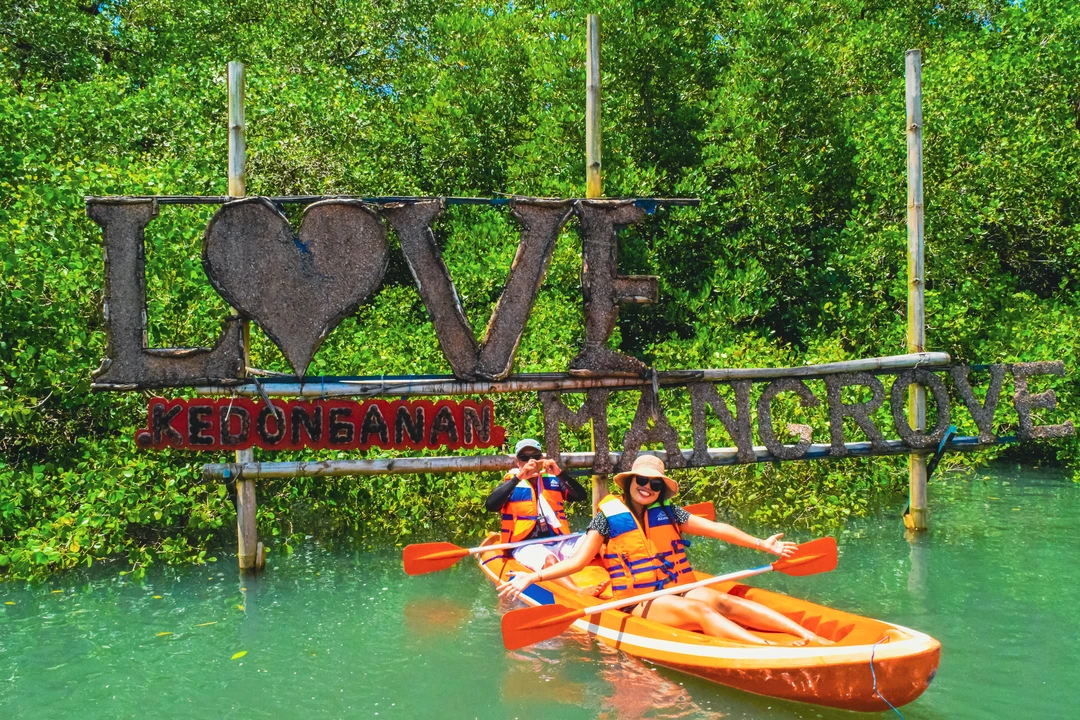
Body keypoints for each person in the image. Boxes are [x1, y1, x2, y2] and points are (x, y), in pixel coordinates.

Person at [498, 455, 831, 646]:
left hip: (676, 587)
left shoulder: (671, 514)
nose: (647, 487)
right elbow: (577, 561)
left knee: (726, 601)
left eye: (655, 484)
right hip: (638, 600)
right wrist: (535, 577)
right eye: (641, 481)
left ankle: (810, 636)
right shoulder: (607, 519)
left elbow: (716, 529)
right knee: (703, 613)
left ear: (661, 489)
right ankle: (767, 649)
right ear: (628, 483)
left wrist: (762, 544)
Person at [485, 438, 600, 595]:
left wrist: (560, 474)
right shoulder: (511, 483)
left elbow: (580, 496)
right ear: (517, 461)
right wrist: (519, 477)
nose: (531, 461)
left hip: (560, 541)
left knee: (598, 540)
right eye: (525, 457)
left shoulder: (552, 479)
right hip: (526, 545)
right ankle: (577, 591)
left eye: (536, 456)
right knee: (550, 560)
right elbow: (491, 505)